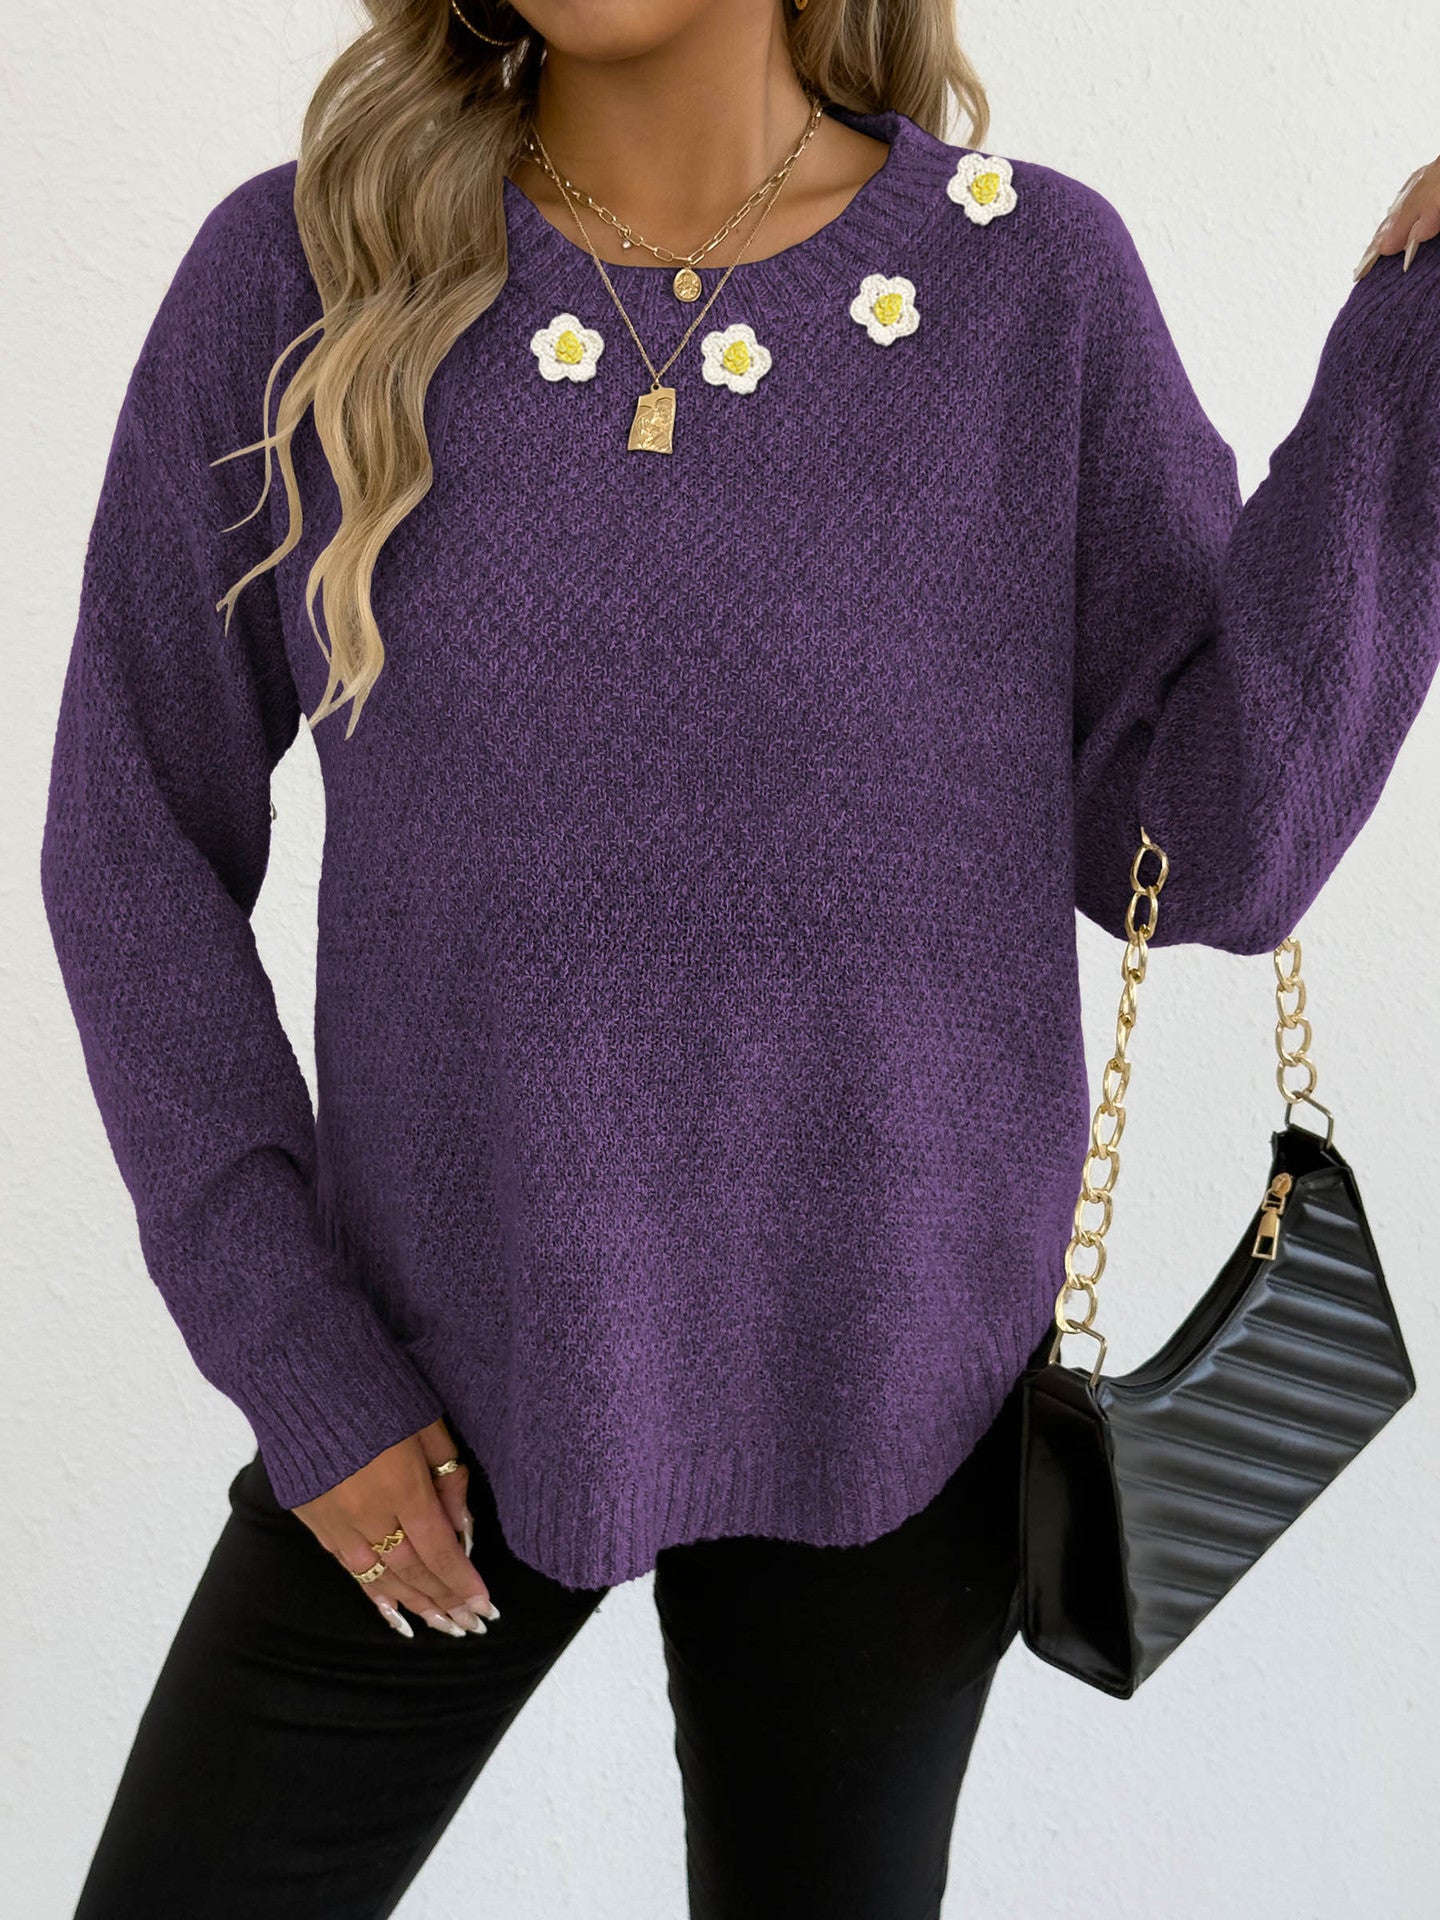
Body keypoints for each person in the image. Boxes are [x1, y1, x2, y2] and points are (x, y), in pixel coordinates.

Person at [39, 2, 1440, 1915]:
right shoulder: (306, 273)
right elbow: (127, 838)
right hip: (426, 1385)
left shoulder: (1029, 286)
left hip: (898, 1394)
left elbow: (1207, 855)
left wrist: (1414, 357)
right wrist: (296, 1358)